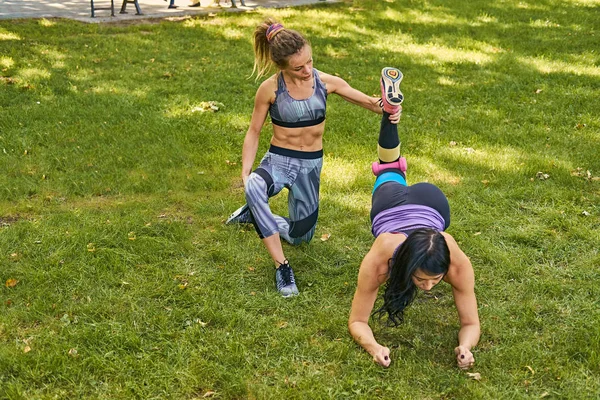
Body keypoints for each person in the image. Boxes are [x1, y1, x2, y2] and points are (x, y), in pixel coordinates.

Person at [226, 19, 401, 297]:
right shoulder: (270, 90)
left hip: (310, 167)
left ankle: (257, 213)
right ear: (282, 67)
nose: (307, 70)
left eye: (309, 61)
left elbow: (370, 103)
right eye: (298, 67)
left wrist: (389, 108)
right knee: (255, 187)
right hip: (278, 161)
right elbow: (254, 131)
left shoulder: (325, 82)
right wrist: (246, 173)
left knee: (300, 236)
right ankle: (282, 267)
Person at [348, 67, 480, 369]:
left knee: (391, 163)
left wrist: (465, 346)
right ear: (405, 265)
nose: (430, 287)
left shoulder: (453, 257)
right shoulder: (382, 256)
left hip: (433, 204)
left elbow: (471, 322)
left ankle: (390, 113)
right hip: (390, 204)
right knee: (389, 166)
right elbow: (357, 320)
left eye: (436, 278)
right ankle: (389, 112)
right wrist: (373, 346)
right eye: (421, 279)